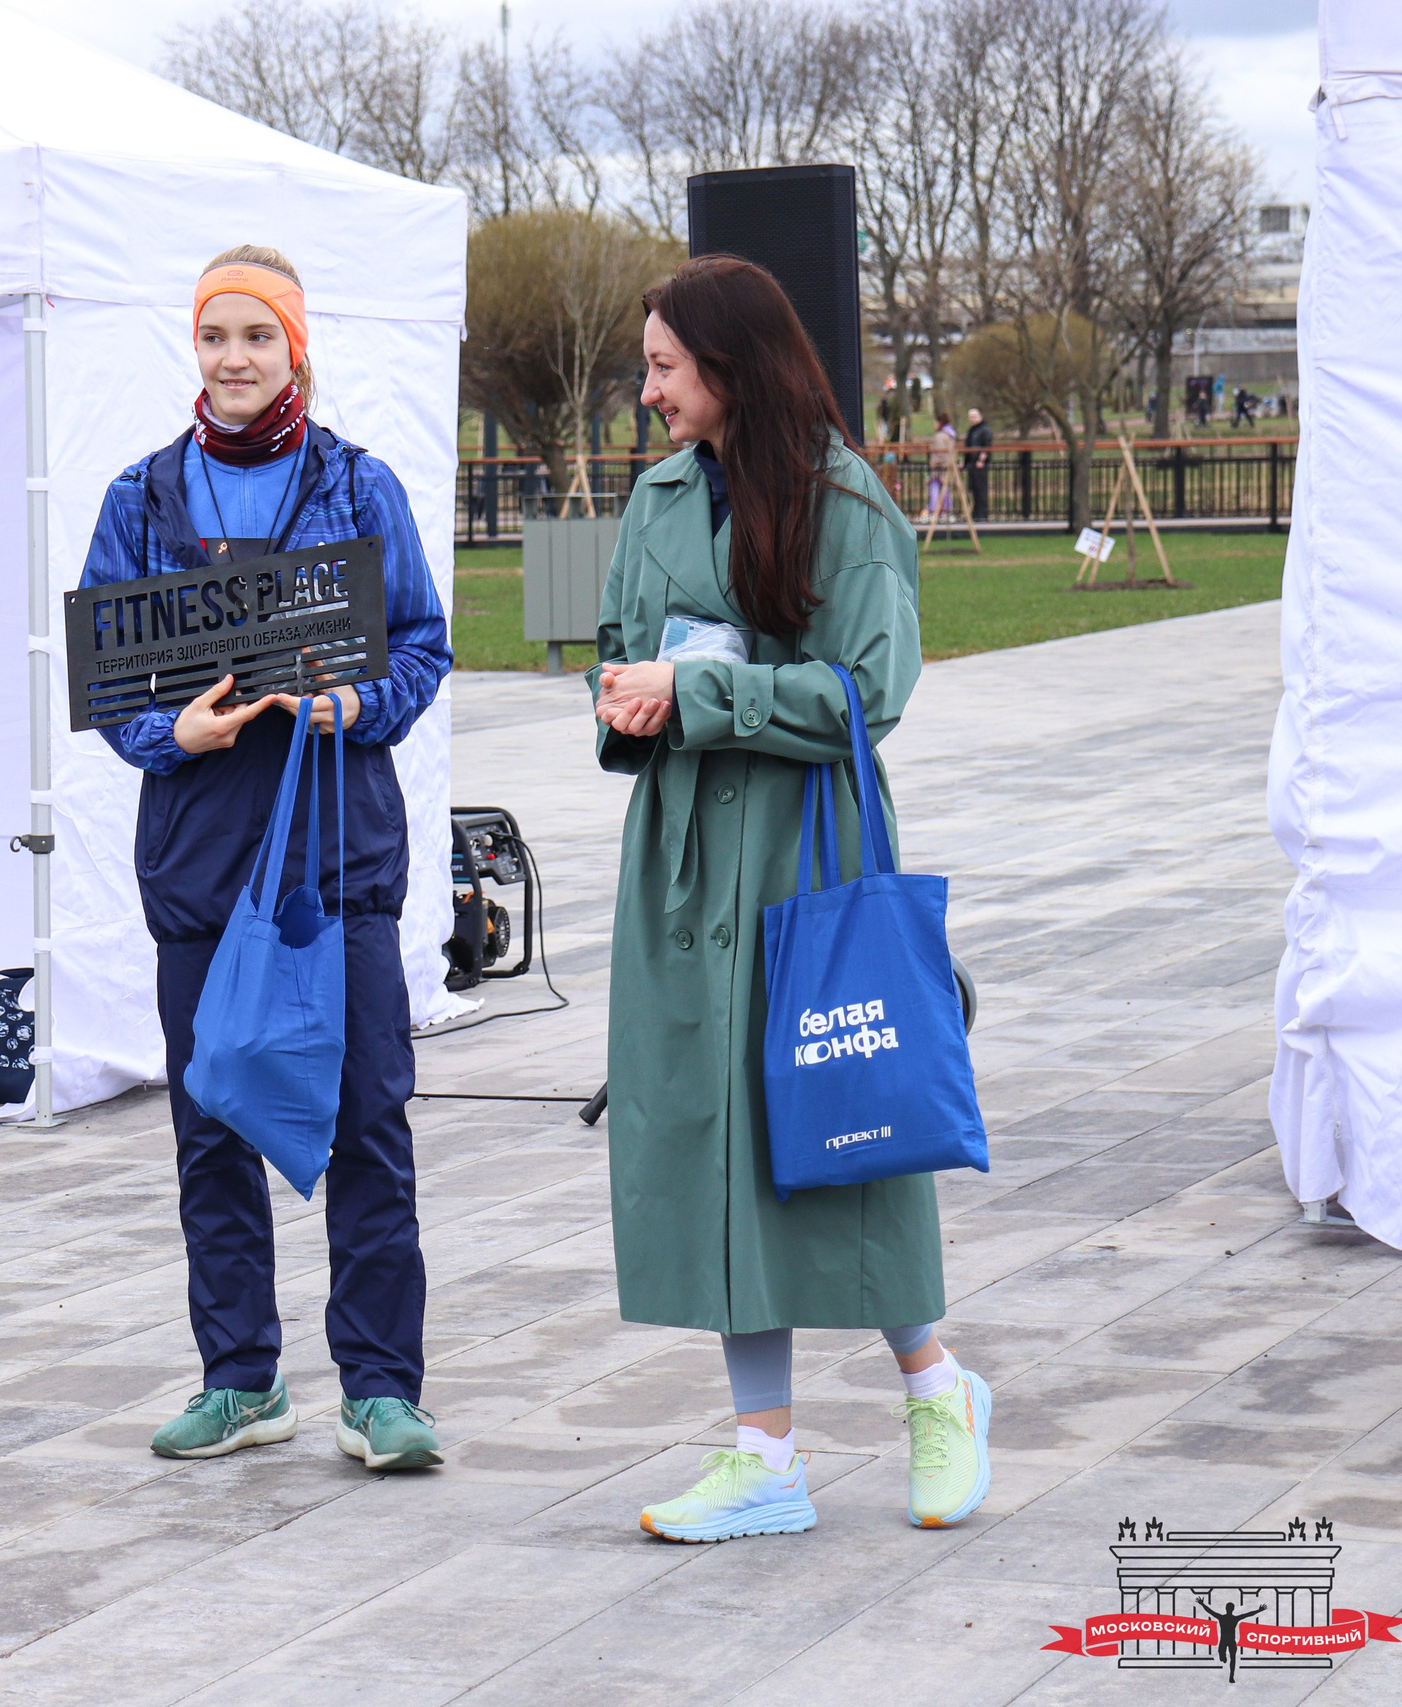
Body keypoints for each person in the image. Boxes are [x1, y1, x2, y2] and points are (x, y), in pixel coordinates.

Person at [589, 255, 992, 1541]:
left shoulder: (846, 502)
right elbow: (620, 647)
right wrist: (624, 699)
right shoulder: (655, 498)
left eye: (663, 366)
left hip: (803, 854)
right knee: (712, 1145)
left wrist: (700, 694)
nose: (646, 390)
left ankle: (936, 1389)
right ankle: (766, 1458)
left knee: (838, 1121)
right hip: (682, 857)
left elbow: (864, 698)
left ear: (730, 367)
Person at [80, 246, 453, 1472]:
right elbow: (109, 685)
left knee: (366, 1121)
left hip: (335, 852)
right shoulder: (141, 498)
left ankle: (382, 1390)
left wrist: (363, 708)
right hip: (199, 858)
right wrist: (167, 734)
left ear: (296, 348)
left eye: (256, 337)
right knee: (212, 1125)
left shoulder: (357, 486)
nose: (233, 359)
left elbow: (418, 647)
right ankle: (240, 1377)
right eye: (213, 337)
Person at [962, 408, 993, 521]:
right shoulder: (972, 430)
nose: (972, 419)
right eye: (970, 417)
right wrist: (964, 463)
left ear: (980, 417)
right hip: (971, 464)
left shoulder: (984, 430)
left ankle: (982, 514)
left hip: (979, 464)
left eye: (974, 416)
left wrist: (982, 460)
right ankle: (976, 513)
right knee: (973, 489)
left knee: (981, 489)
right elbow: (968, 447)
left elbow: (987, 446)